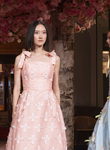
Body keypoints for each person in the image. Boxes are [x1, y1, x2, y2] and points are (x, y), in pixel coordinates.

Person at [6, 20, 67, 150]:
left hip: (48, 104)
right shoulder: (21, 58)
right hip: (27, 104)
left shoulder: (54, 58)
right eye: (37, 33)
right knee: (26, 140)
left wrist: (57, 110)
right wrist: (14, 112)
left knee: (48, 141)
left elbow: (56, 87)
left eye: (44, 33)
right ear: (31, 35)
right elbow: (16, 88)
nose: (41, 36)